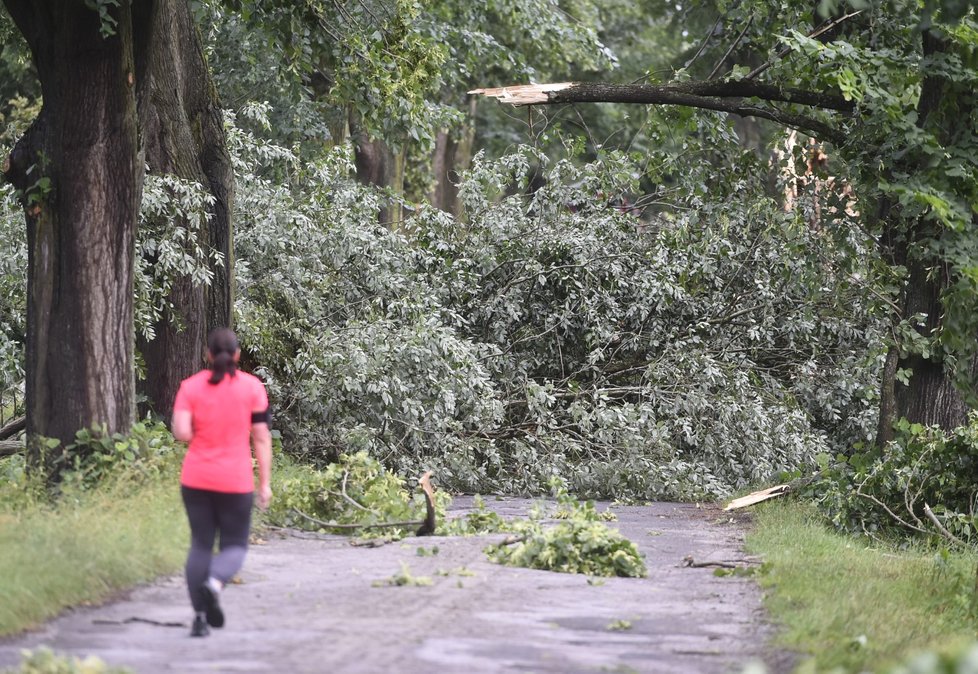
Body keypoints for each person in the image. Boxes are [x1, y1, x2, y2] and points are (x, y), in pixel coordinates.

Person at [171, 328, 273, 638]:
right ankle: (214, 584)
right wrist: (265, 483)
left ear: (208, 355)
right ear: (238, 355)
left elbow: (182, 433)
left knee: (201, 544)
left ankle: (200, 618)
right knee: (234, 546)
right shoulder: (253, 388)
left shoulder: (190, 388)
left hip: (196, 478)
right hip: (235, 481)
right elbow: (261, 437)